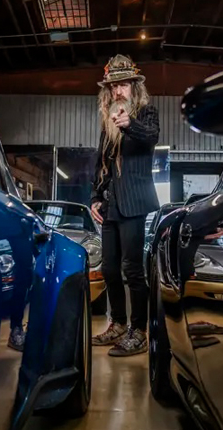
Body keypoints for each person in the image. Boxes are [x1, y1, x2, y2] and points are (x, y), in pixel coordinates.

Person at [89, 55, 160, 357]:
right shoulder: (108, 123)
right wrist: (95, 196)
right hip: (111, 205)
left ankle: (140, 330)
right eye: (114, 86)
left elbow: (151, 138)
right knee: (109, 268)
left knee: (133, 269)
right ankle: (117, 323)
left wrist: (130, 124)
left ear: (134, 87)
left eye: (123, 85)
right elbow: (101, 163)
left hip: (135, 202)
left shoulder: (146, 114)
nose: (118, 91)